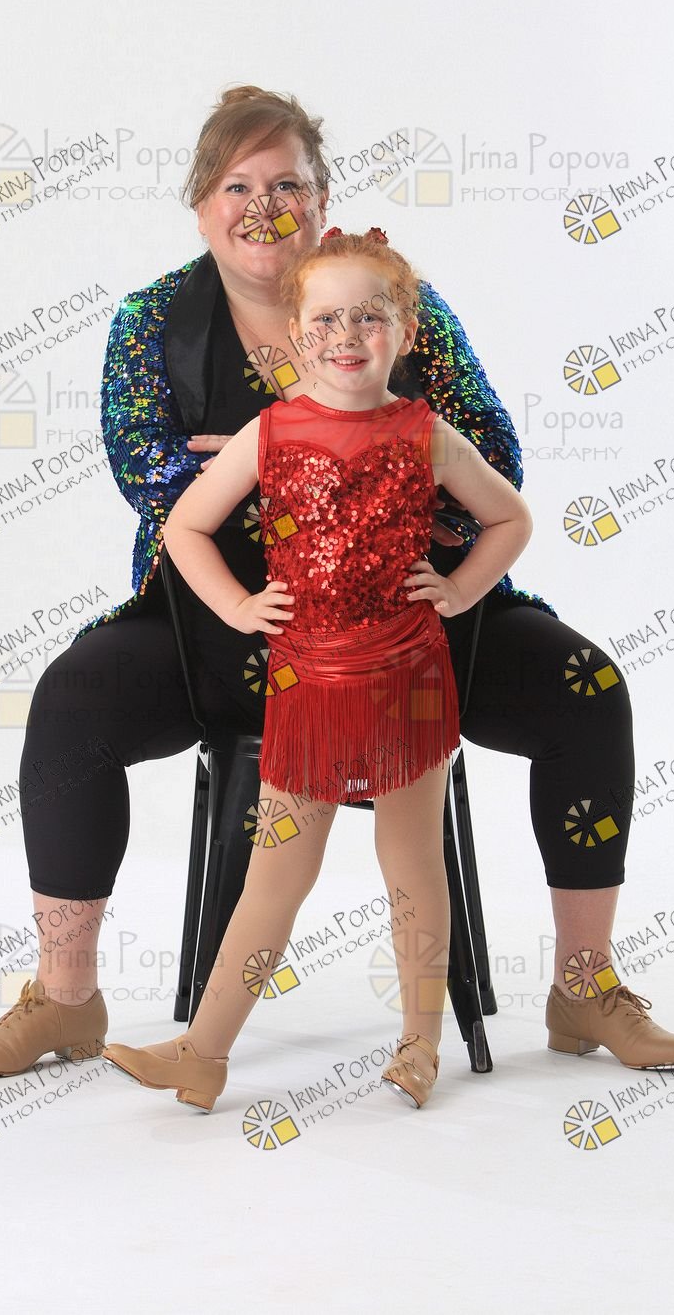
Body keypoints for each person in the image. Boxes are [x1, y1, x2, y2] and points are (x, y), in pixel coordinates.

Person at [0, 84, 674, 1082]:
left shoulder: (395, 300)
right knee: (70, 700)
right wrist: (306, 469)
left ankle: (584, 985)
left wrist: (330, 489)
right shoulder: (152, 320)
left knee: (588, 687)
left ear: (322, 198)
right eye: (237, 185)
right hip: (224, 632)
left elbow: (494, 457)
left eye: (287, 184)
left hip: (408, 637)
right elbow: (152, 477)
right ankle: (66, 998)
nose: (263, 206)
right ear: (201, 205)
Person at [98, 228, 533, 1112]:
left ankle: (420, 1045)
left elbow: (511, 517)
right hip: (307, 685)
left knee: (412, 864)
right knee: (276, 873)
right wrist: (235, 606)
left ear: (405, 330)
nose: (347, 335)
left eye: (370, 316)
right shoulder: (271, 432)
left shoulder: (427, 433)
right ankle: (203, 1053)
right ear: (296, 336)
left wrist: (458, 589)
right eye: (327, 319)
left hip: (409, 681)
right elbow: (185, 526)